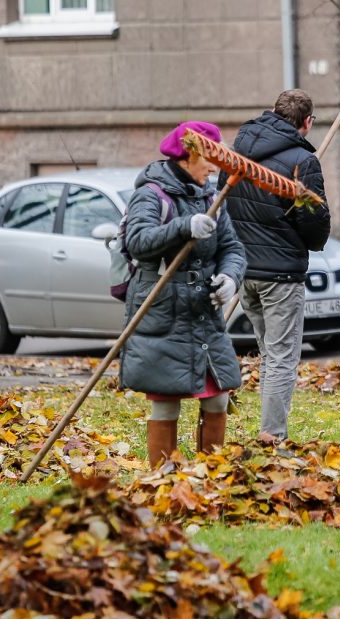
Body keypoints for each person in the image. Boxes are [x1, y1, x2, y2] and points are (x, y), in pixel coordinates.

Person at [120, 120, 247, 468]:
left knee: (218, 398)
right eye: (210, 159)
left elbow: (233, 248)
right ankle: (164, 480)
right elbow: (139, 241)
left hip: (203, 312)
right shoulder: (151, 193)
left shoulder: (211, 195)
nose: (214, 167)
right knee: (166, 400)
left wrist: (230, 278)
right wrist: (183, 227)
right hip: (164, 309)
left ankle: (211, 474)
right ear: (190, 154)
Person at [218, 89, 330, 441]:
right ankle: (272, 436)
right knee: (281, 357)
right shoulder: (303, 162)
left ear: (271, 111)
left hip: (245, 271)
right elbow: (313, 227)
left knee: (269, 353)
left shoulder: (237, 151)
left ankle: (268, 429)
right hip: (281, 275)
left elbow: (222, 204)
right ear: (307, 122)